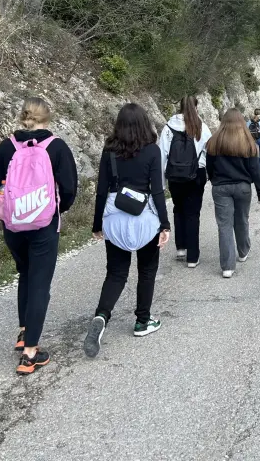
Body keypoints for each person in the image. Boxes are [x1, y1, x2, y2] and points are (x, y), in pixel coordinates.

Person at [0, 97, 78, 375]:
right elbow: (70, 189)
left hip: (13, 226)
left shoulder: (7, 146)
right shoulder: (57, 147)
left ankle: (24, 331)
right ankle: (29, 354)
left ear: (22, 116)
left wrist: (11, 215)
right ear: (48, 117)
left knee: (25, 274)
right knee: (40, 282)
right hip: (44, 224)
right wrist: (53, 210)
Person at [84, 103, 171, 358]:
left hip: (115, 218)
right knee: (147, 271)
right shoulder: (152, 151)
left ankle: (102, 315)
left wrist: (97, 224)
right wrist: (164, 225)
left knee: (116, 273)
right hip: (144, 218)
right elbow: (157, 191)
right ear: (145, 124)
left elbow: (101, 191)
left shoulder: (109, 151)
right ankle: (143, 321)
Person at [207, 109, 260, 278]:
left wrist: (214, 180)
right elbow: (255, 170)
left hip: (221, 188)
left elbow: (209, 167)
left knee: (224, 225)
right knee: (241, 219)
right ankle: (243, 251)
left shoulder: (214, 141)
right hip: (242, 187)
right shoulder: (247, 142)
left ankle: (227, 267)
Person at [159, 96, 212, 267]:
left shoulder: (168, 128)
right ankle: (192, 258)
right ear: (196, 108)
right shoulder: (201, 127)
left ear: (179, 107)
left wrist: (162, 183)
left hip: (175, 176)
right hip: (196, 174)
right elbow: (209, 151)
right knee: (193, 213)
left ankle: (181, 248)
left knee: (178, 209)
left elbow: (162, 155)